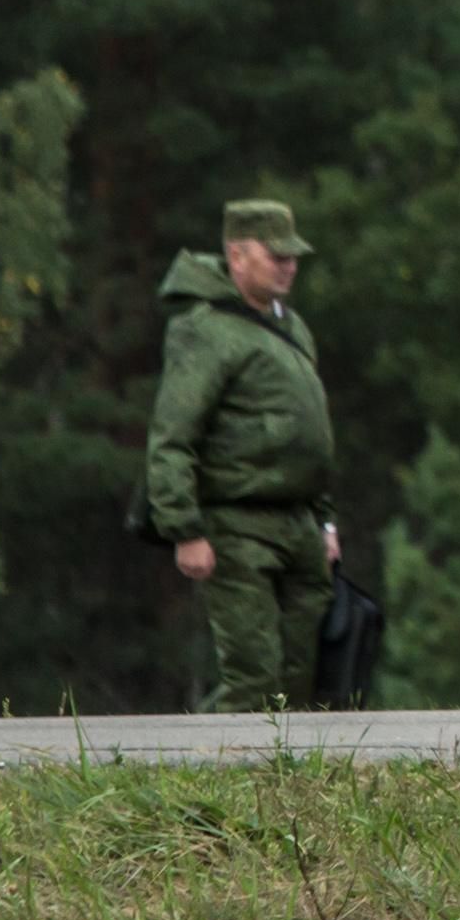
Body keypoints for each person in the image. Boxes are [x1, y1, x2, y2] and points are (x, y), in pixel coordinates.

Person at [144, 200, 340, 713]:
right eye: (276, 255)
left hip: (299, 522)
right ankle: (198, 775)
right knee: (254, 676)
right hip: (238, 522)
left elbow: (308, 436)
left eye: (293, 256)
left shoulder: (291, 327)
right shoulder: (205, 329)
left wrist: (324, 523)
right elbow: (173, 435)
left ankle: (284, 789)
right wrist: (185, 530)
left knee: (298, 680)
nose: (289, 265)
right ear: (237, 255)